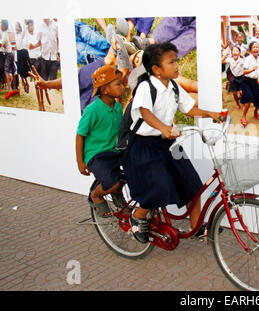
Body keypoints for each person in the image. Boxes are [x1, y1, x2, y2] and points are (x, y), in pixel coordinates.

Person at [122, 42, 221, 243]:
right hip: (143, 146)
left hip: (167, 144)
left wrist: (209, 113)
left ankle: (196, 228)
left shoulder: (173, 86)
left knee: (192, 183)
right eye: (171, 62)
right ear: (156, 69)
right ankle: (138, 216)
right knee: (160, 186)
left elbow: (188, 108)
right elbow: (145, 112)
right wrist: (163, 128)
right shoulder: (145, 87)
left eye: (176, 61)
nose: (176, 66)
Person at [76, 65, 127, 218]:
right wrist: (80, 161)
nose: (123, 86)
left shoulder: (117, 107)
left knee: (133, 171)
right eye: (118, 84)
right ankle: (96, 195)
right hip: (97, 155)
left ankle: (117, 192)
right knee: (113, 183)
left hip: (115, 151)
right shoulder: (93, 110)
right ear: (104, 90)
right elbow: (80, 134)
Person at [239, 41, 259, 127]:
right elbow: (244, 72)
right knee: (248, 99)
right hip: (246, 81)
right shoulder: (248, 59)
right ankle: (243, 117)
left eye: (257, 47)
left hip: (254, 82)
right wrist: (252, 69)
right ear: (250, 50)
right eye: (254, 47)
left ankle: (255, 112)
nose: (256, 49)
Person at [222, 45, 244, 110]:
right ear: (231, 53)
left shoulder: (241, 60)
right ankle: (237, 103)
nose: (235, 52)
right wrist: (226, 54)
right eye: (233, 51)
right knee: (234, 93)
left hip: (241, 78)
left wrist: (243, 56)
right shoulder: (230, 60)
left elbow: (247, 65)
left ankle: (242, 100)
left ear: (239, 53)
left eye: (237, 51)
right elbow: (222, 61)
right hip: (234, 78)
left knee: (241, 92)